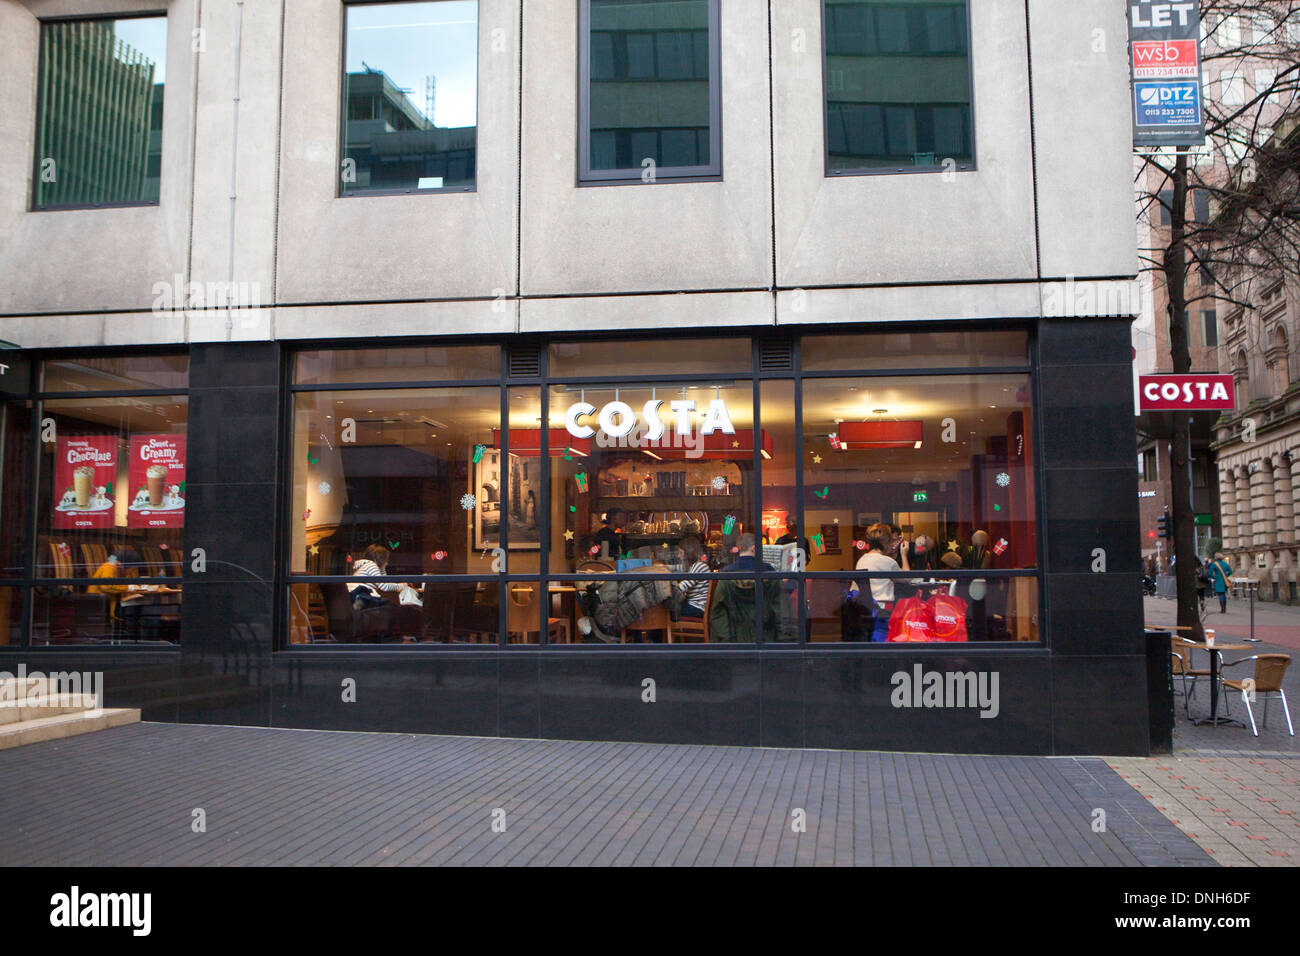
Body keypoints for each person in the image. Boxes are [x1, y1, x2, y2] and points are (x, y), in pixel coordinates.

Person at [710, 533, 781, 642]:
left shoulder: (726, 573)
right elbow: (779, 608)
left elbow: (717, 611)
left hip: (735, 636)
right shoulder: (768, 571)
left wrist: (726, 637)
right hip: (765, 635)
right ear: (754, 549)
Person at [851, 523, 911, 642]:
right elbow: (907, 578)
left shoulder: (862, 559)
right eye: (891, 541)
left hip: (864, 610)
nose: (892, 545)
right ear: (885, 542)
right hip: (883, 612)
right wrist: (904, 555)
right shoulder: (887, 562)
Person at [348, 544, 403, 610]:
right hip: (362, 598)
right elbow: (384, 586)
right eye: (385, 560)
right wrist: (402, 585)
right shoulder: (371, 565)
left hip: (357, 597)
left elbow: (384, 581)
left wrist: (382, 569)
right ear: (380, 559)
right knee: (391, 609)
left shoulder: (366, 565)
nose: (387, 563)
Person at [676, 536, 711, 619]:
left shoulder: (699, 566)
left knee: (667, 610)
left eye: (681, 552)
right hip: (696, 606)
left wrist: (668, 591)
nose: (678, 556)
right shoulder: (695, 566)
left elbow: (682, 587)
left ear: (688, 553)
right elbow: (676, 567)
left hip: (697, 608)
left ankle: (664, 631)